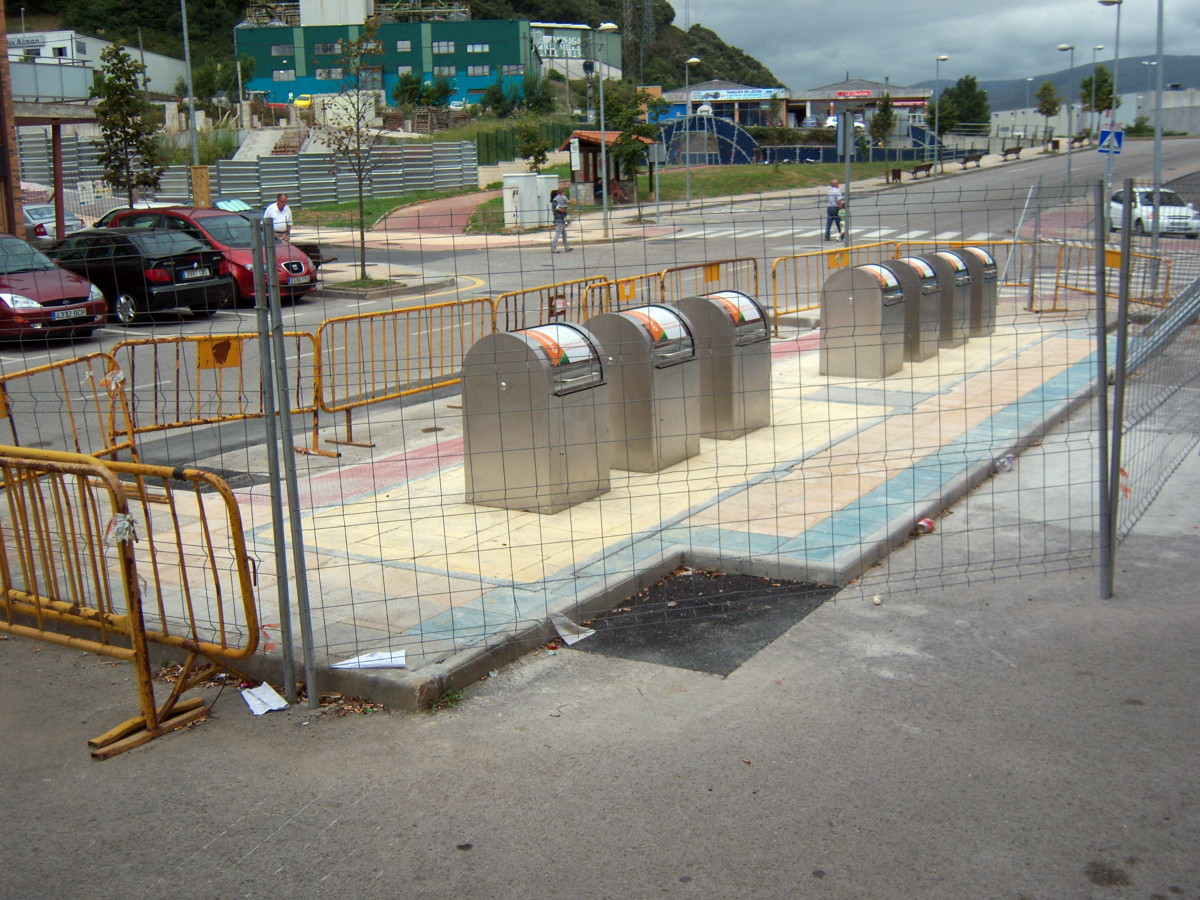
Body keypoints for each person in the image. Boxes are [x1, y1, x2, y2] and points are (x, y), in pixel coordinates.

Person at [550, 188, 572, 254]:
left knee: (564, 234)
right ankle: (553, 248)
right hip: (559, 220)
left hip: (561, 219)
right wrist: (566, 211)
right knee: (557, 234)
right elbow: (559, 210)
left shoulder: (557, 202)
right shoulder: (555, 202)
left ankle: (567, 247)